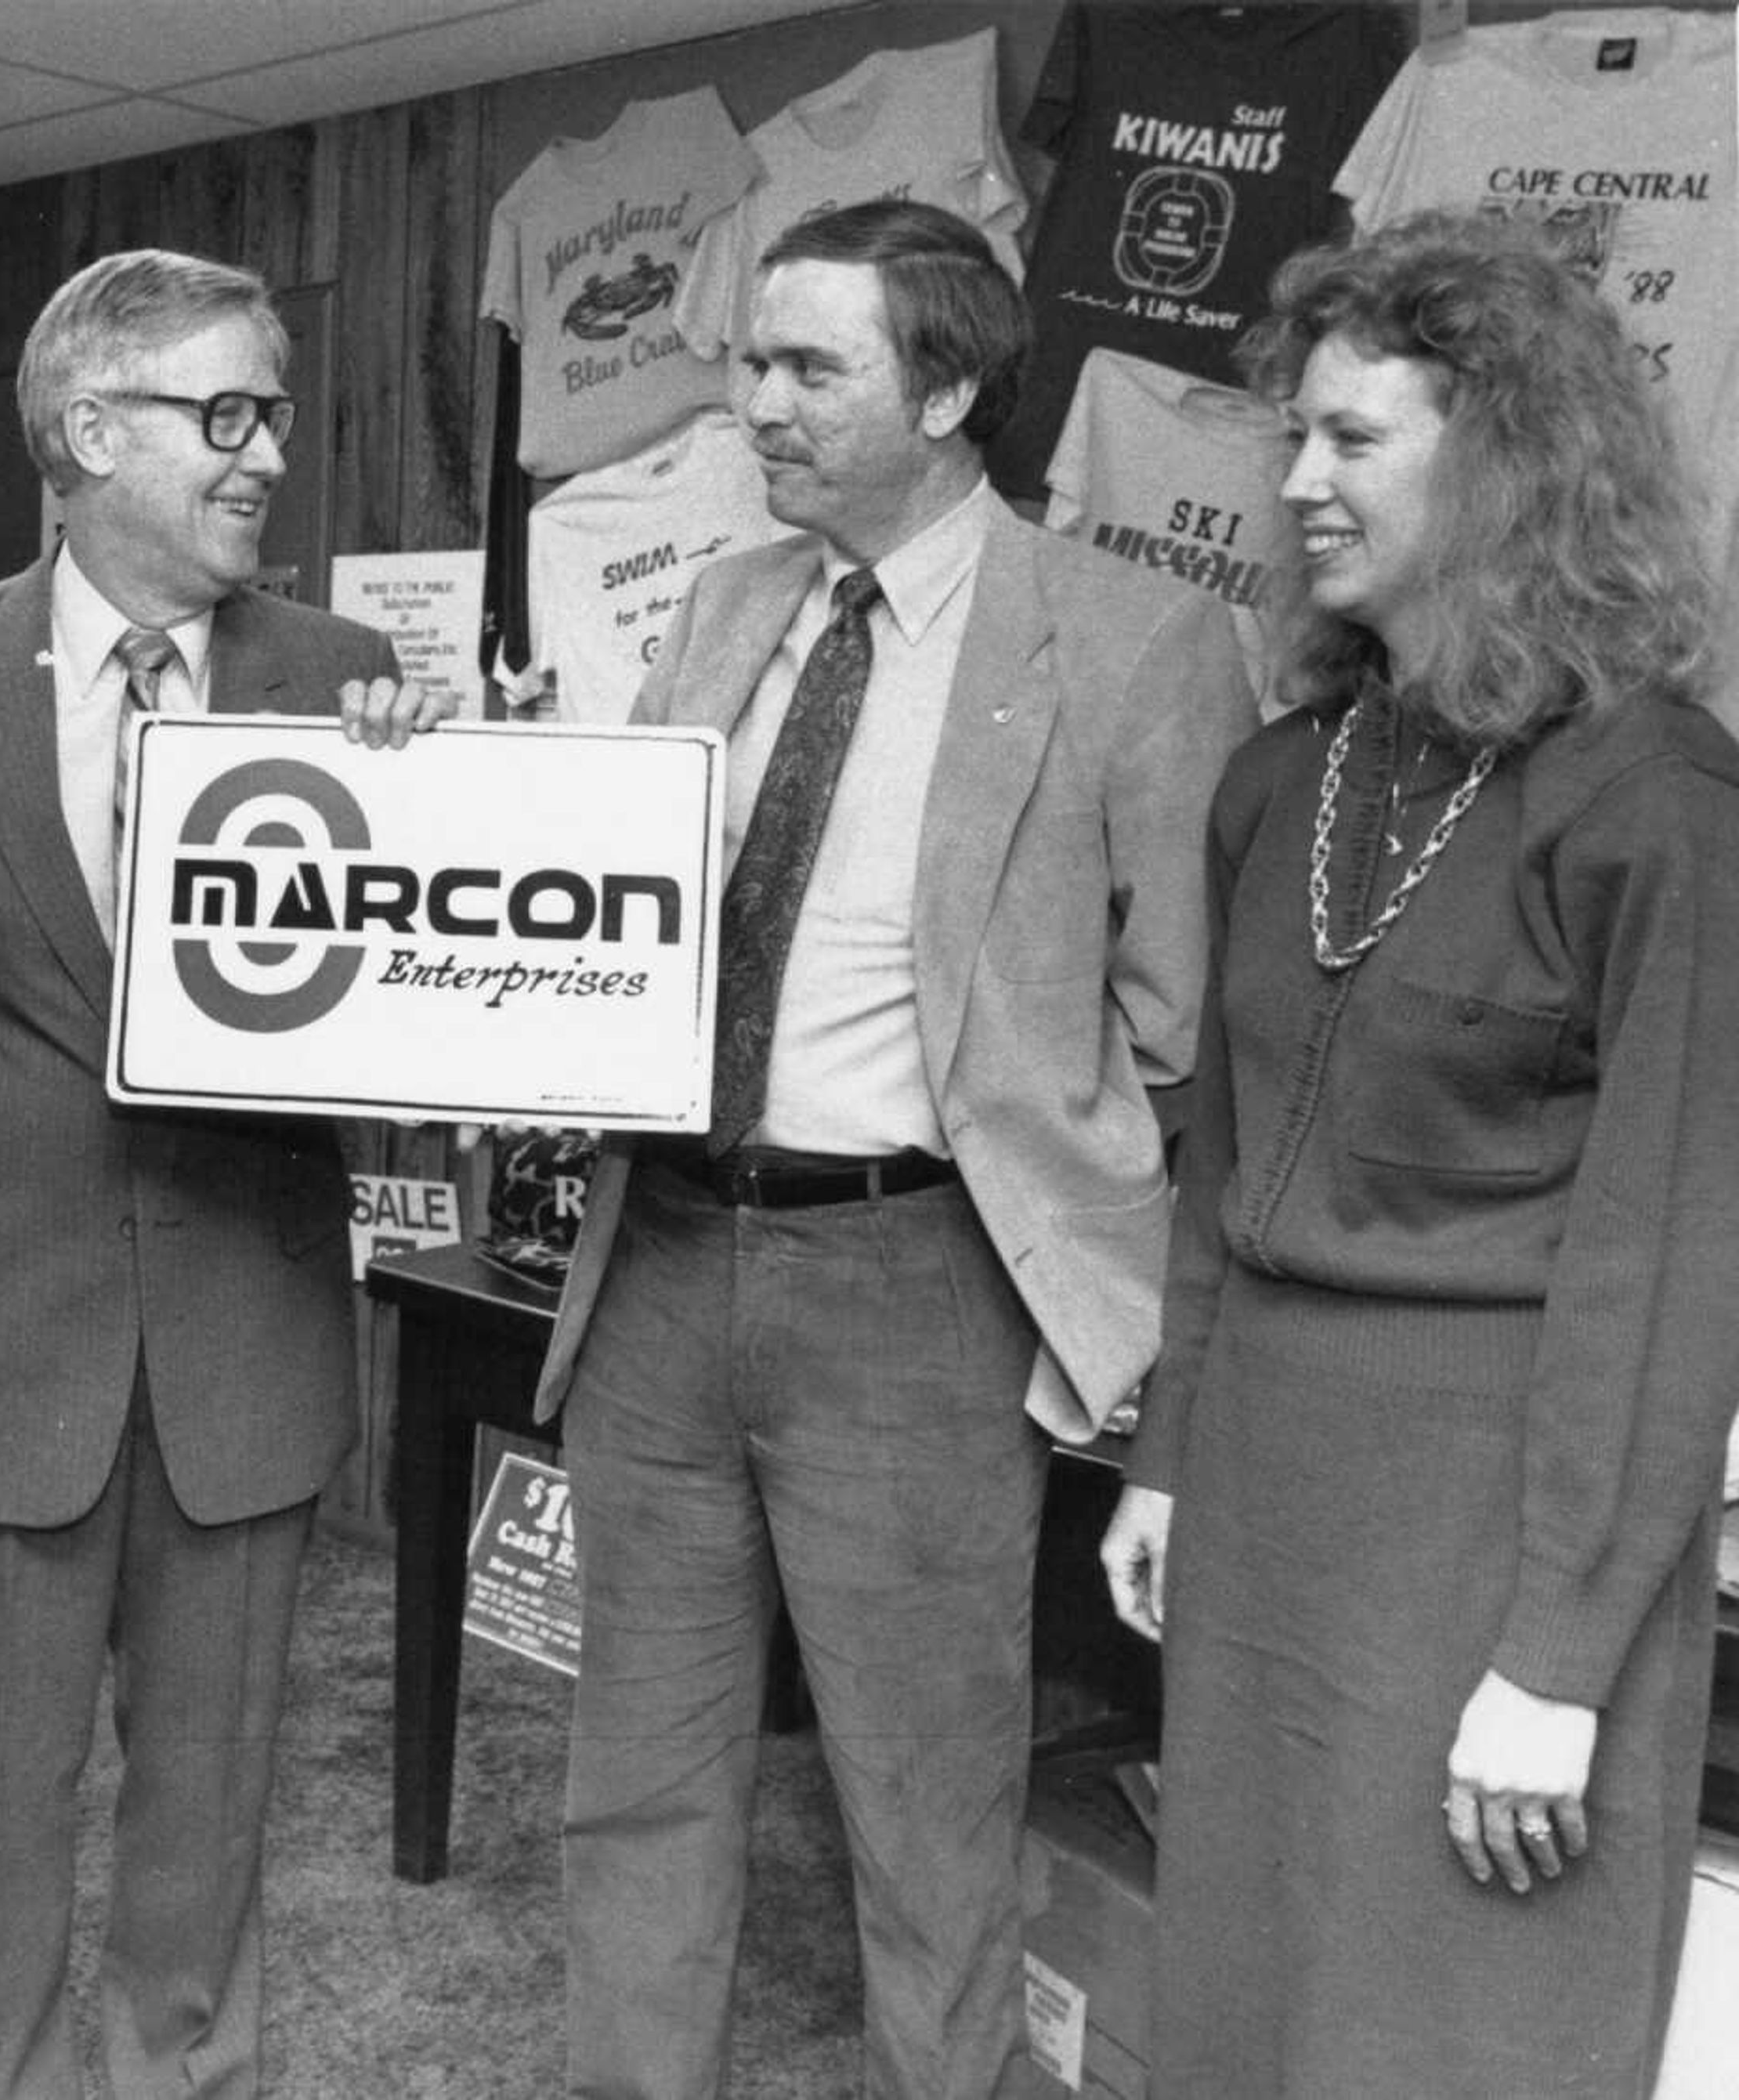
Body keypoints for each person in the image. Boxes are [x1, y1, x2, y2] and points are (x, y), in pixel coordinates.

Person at [530, 197, 1255, 2099]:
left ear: (944, 392)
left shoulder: (1134, 639)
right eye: (750, 361)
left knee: (926, 1809)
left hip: (917, 1294)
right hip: (661, 1262)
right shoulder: (723, 605)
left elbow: (1180, 1028)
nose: (753, 403)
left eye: (803, 367)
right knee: (640, 1781)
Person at [1098, 209, 1739, 2095]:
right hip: (1266, 1485)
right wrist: (1166, 1452)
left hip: (1493, 1506)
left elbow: (1676, 1258)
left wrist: (1559, 1661)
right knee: (1241, 1997)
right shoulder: (1285, 779)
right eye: (1293, 437)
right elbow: (1223, 1163)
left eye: (1353, 441)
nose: (1297, 482)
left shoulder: (1654, 800)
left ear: (1507, 468)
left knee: (1452, 2028)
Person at [0, 247, 443, 2099]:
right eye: (226, 415)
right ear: (92, 430)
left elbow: (419, 1008)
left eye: (275, 415)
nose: (265, 458)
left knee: (214, 1801)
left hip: (243, 1334)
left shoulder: (348, 683)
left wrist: (430, 814)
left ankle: (187, 2077)